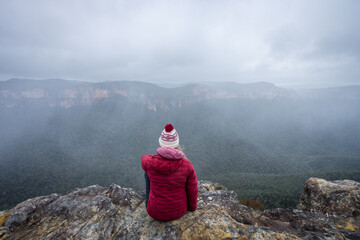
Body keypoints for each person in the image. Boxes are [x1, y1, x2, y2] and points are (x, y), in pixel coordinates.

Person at [141, 124, 198, 221]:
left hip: (154, 212)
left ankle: (149, 201)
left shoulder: (149, 162)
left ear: (161, 143)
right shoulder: (187, 165)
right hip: (178, 212)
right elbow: (193, 190)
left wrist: (161, 153)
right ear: (177, 144)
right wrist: (192, 208)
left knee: (148, 172)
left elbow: (144, 157)